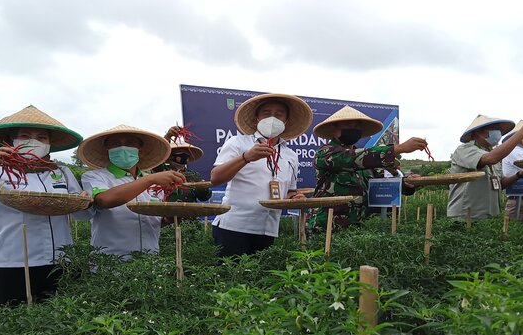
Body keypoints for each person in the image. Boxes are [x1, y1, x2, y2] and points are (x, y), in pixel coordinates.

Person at [0, 105, 87, 305]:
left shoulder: (62, 172)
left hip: (61, 261)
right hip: (13, 262)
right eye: (25, 135)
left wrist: (84, 201)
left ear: (49, 144)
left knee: (61, 322)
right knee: (14, 323)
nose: (34, 141)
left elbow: (82, 214)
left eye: (42, 137)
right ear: (12, 142)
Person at [210, 93, 312, 257]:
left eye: (279, 114)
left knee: (262, 279)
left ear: (286, 121)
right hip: (233, 227)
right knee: (231, 278)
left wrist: (295, 198)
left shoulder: (290, 155)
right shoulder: (238, 143)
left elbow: (290, 192)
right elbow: (215, 178)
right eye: (266, 113)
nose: (272, 118)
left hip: (268, 229)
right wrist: (246, 157)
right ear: (256, 118)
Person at [307, 105, 427, 230]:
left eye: (357, 126)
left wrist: (406, 183)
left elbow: (383, 184)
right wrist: (398, 149)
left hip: (356, 229)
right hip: (325, 228)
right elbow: (352, 158)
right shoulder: (325, 154)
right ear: (334, 128)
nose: (354, 129)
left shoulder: (368, 164)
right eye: (348, 126)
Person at [78, 124, 185, 260]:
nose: (122, 148)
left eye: (129, 143)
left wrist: (168, 219)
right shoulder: (95, 177)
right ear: (107, 151)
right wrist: (150, 179)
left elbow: (153, 220)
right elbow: (103, 200)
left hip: (149, 261)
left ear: (141, 151)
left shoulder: (152, 184)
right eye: (115, 144)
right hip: (110, 263)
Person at [447, 114, 523, 220]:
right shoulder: (465, 149)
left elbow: (500, 183)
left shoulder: (491, 153)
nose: (498, 133)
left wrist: (518, 175)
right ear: (479, 132)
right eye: (494, 129)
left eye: (499, 130)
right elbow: (490, 159)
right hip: (467, 216)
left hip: (489, 216)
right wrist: (522, 132)